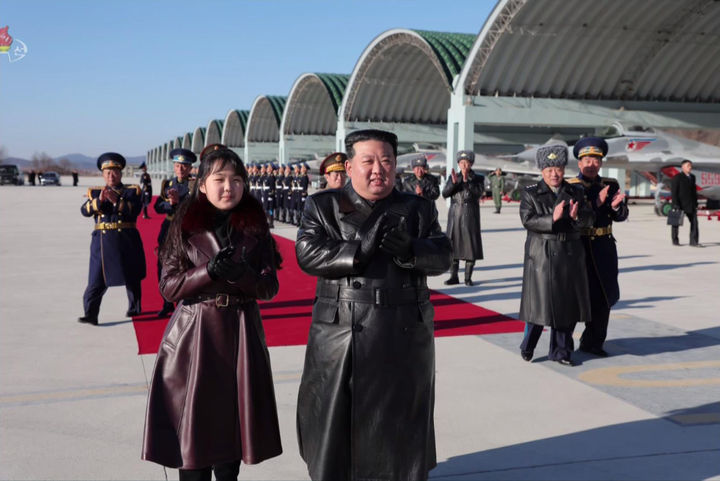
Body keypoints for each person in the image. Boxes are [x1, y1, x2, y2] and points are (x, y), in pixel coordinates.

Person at [295, 129, 452, 481]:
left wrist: (412, 250)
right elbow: (308, 254)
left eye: (386, 161)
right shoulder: (324, 206)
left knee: (400, 427)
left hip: (403, 332)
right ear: (349, 166)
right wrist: (359, 251)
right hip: (342, 332)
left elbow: (444, 255)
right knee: (336, 426)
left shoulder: (417, 208)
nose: (377, 169)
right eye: (368, 161)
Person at [142, 146, 283, 480]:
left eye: (236, 180)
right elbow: (168, 287)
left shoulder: (255, 225)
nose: (228, 187)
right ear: (202, 184)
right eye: (219, 179)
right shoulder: (184, 224)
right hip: (195, 336)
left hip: (241, 335)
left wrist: (241, 275)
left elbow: (269, 287)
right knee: (193, 441)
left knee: (231, 437)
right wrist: (209, 272)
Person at [518, 145, 594, 366]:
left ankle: (560, 352)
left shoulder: (575, 192)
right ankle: (528, 345)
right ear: (542, 170)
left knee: (565, 308)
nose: (554, 174)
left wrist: (577, 215)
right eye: (549, 169)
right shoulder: (531, 192)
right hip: (541, 256)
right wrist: (554, 217)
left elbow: (589, 219)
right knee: (538, 308)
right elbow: (528, 220)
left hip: (569, 254)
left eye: (558, 168)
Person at [569, 137, 628, 357]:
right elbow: (576, 216)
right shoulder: (571, 186)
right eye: (587, 160)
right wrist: (598, 204)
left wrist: (615, 208)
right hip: (580, 248)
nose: (591, 164)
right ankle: (563, 343)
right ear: (579, 163)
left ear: (601, 163)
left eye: (596, 160)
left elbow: (621, 216)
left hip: (604, 247)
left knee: (604, 296)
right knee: (576, 297)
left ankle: (594, 342)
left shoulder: (611, 184)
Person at [78, 153, 146, 325]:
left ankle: (134, 307)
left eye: (114, 172)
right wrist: (98, 202)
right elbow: (85, 210)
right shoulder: (95, 192)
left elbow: (135, 209)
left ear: (121, 173)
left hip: (125, 239)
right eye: (107, 172)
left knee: (132, 275)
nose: (111, 176)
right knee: (96, 279)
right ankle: (90, 313)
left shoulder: (132, 191)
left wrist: (117, 201)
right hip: (102, 242)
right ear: (103, 175)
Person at [154, 148, 195, 317]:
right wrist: (170, 204)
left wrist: (180, 203)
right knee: (164, 266)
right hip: (168, 230)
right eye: (177, 165)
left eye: (184, 166)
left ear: (190, 168)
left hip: (186, 230)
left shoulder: (195, 185)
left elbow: (196, 206)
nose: (180, 169)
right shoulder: (168, 185)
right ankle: (167, 302)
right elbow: (157, 207)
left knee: (185, 267)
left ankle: (184, 302)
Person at [442, 150, 484, 286]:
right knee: (453, 246)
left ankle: (467, 277)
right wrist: (454, 183)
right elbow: (445, 193)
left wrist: (466, 181)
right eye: (461, 163)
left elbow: (478, 193)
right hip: (455, 214)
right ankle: (453, 276)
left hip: (470, 214)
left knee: (470, 245)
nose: (464, 165)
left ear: (471, 164)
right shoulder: (454, 177)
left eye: (466, 163)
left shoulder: (478, 178)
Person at [671, 159, 700, 247]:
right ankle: (675, 240)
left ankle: (694, 242)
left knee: (694, 223)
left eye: (690, 166)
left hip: (691, 205)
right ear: (682, 167)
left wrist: (696, 203)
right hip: (679, 204)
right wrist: (675, 204)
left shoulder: (693, 177)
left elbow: (694, 192)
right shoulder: (677, 177)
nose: (690, 167)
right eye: (688, 166)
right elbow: (674, 192)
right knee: (676, 223)